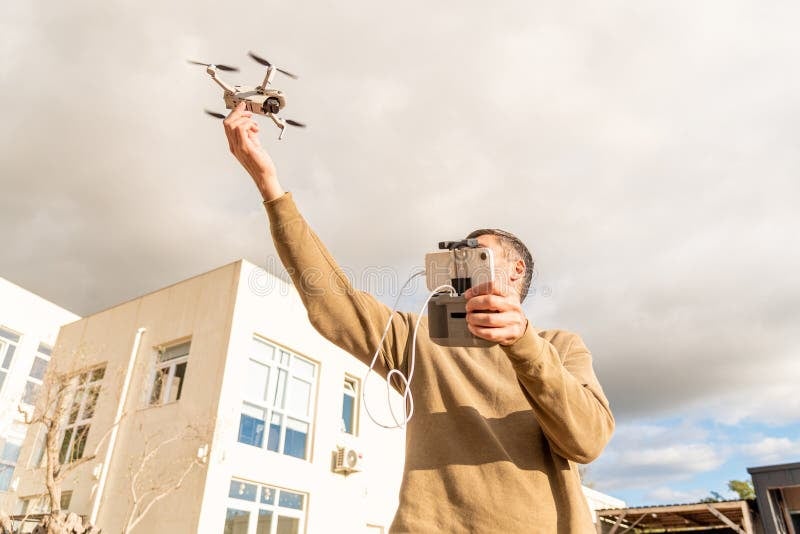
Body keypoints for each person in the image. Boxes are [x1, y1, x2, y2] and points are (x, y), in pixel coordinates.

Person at [223, 102, 614, 533]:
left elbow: (587, 440)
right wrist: (270, 188)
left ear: (516, 269)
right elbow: (333, 303)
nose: (459, 258)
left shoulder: (560, 346)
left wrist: (523, 343)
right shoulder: (418, 337)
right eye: (456, 252)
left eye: (475, 251)